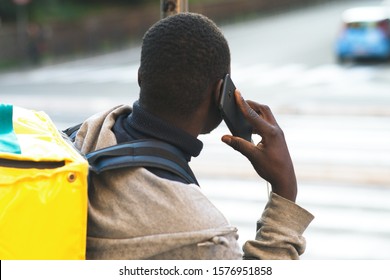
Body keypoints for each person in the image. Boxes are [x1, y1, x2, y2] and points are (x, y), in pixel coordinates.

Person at [74, 12, 314, 260]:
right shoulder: (202, 233)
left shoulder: (89, 131)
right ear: (221, 93)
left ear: (140, 77)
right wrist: (285, 191)